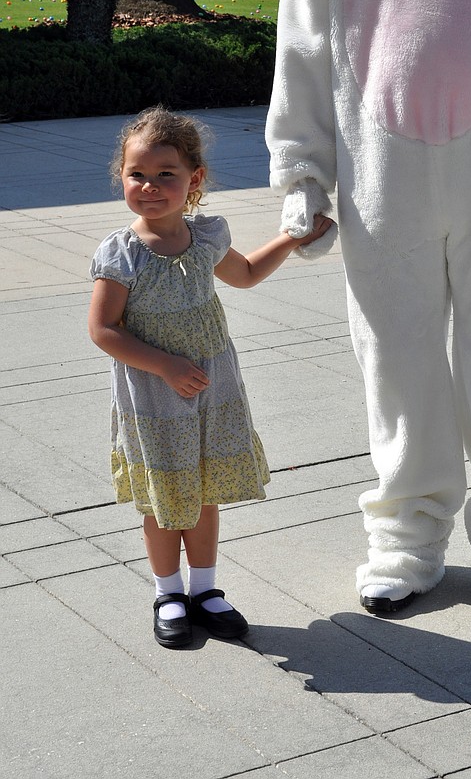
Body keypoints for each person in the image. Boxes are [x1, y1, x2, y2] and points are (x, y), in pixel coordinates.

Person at [88, 105, 332, 648]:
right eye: (137, 175)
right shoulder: (123, 252)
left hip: (211, 391)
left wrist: (293, 239)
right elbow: (104, 330)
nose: (149, 187)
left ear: (193, 180)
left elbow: (243, 274)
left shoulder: (204, 239)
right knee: (165, 497)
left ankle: (206, 590)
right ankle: (168, 592)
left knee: (203, 494)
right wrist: (167, 365)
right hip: (155, 396)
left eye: (165, 175)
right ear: (121, 177)